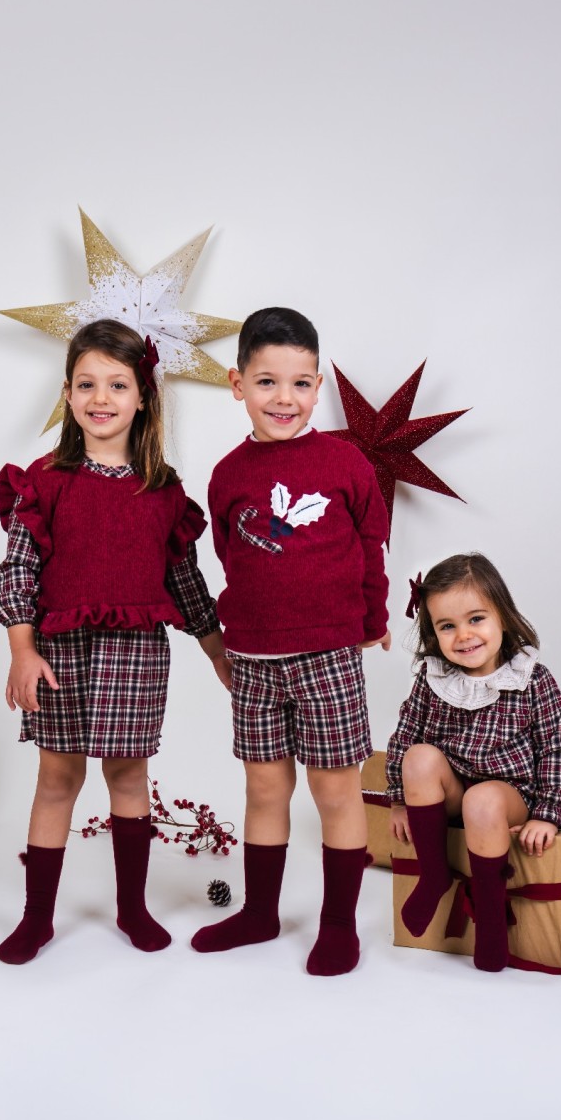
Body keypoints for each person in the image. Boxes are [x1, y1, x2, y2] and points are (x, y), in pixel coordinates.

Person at [0, 319, 230, 964]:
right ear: (68, 394)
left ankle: (132, 908)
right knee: (57, 778)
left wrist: (215, 650)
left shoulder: (163, 490)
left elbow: (184, 580)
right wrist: (21, 651)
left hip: (136, 653)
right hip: (59, 653)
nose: (101, 397)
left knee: (128, 775)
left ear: (143, 396)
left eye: (117, 384)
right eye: (87, 384)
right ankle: (36, 918)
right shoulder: (45, 481)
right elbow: (18, 572)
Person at [190, 307, 390, 976]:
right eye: (267, 382)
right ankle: (260, 913)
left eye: (301, 384)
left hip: (328, 654)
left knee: (335, 793)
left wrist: (372, 620)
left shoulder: (344, 463)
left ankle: (338, 926)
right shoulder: (227, 475)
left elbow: (371, 546)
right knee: (265, 789)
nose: (285, 398)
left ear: (318, 385)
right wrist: (235, 637)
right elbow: (231, 557)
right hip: (252, 658)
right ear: (237, 384)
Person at [387, 552, 561, 971]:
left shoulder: (531, 679)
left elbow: (552, 750)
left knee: (484, 798)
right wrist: (398, 802)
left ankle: (490, 917)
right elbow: (405, 736)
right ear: (433, 633)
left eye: (476, 619)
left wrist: (546, 815)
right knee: (418, 756)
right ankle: (434, 875)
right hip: (453, 793)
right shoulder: (433, 679)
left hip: (507, 797)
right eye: (447, 626)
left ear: (502, 617)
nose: (464, 636)